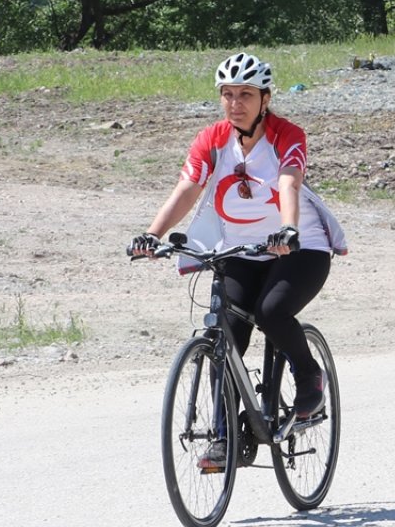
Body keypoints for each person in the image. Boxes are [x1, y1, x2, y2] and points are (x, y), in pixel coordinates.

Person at [129, 53, 348, 467]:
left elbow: (289, 181)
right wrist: (151, 235)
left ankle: (308, 375)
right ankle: (225, 437)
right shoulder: (211, 139)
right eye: (227, 94)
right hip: (240, 250)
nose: (235, 103)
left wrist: (289, 228)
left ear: (265, 98)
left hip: (301, 249)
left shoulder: (287, 134)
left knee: (271, 311)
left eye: (245, 94)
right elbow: (188, 188)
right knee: (224, 336)